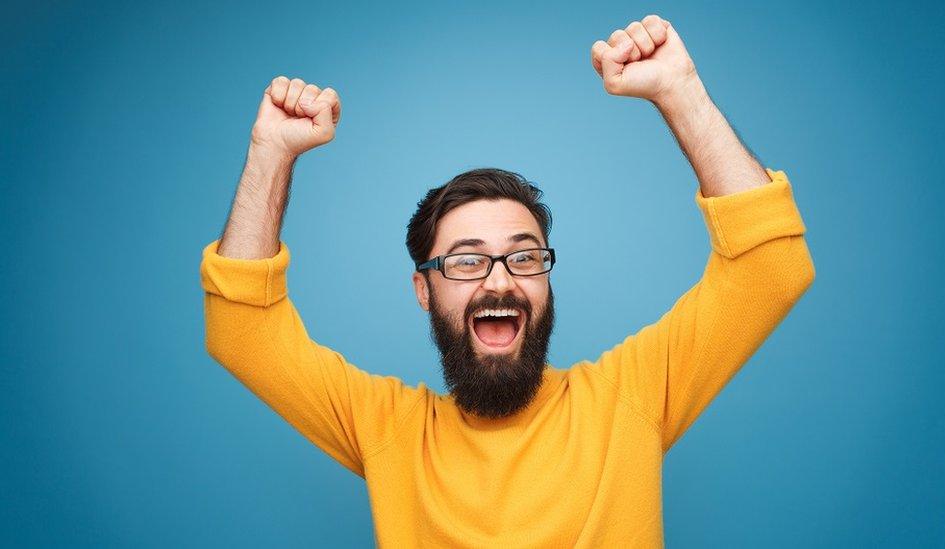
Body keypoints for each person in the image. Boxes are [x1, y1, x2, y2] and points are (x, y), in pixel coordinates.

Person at [200, 14, 814, 548]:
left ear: (546, 282)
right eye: (466, 260)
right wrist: (271, 152)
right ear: (425, 290)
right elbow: (242, 333)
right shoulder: (388, 430)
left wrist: (681, 93)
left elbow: (770, 267)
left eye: (523, 256)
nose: (500, 281)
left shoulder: (629, 398)